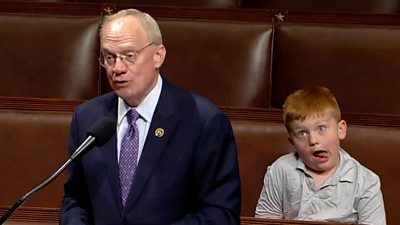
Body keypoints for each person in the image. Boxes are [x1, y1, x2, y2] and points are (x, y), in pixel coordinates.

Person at [60, 8, 241, 225]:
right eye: (109, 57)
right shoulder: (88, 117)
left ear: (158, 55)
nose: (117, 68)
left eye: (129, 56)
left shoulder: (203, 121)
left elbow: (221, 213)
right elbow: (76, 199)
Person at [255, 86, 386, 225]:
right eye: (302, 133)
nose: (313, 141)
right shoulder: (280, 170)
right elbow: (265, 220)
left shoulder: (366, 183)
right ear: (292, 141)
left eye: (321, 128)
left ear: (340, 130)